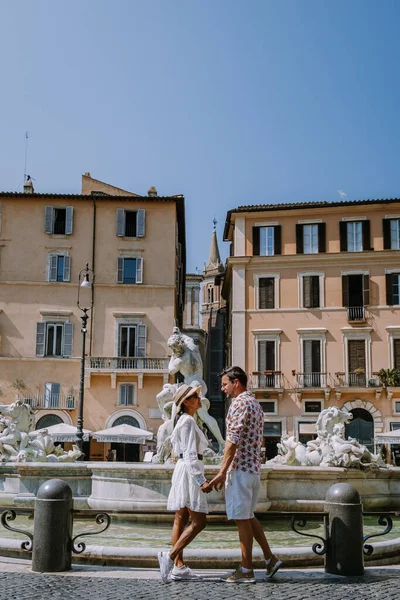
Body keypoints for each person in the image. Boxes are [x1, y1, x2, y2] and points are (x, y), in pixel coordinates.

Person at [209, 366, 282, 583]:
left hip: (240, 470)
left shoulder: (239, 403)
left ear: (236, 383)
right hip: (252, 470)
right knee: (248, 517)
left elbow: (232, 440)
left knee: (242, 520)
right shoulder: (256, 405)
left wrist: (222, 472)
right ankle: (270, 559)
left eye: (224, 384)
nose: (222, 389)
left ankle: (246, 570)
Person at [158, 383, 212, 583]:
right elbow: (190, 454)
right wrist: (201, 480)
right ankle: (170, 557)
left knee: (180, 518)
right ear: (186, 402)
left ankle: (179, 567)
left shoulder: (182, 420)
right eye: (195, 397)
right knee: (199, 522)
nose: (199, 399)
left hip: (182, 468)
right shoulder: (188, 421)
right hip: (190, 469)